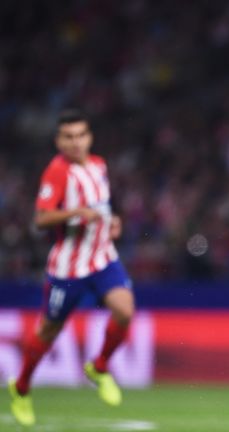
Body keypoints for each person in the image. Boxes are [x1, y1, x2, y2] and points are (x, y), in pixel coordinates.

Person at [7, 109, 134, 427]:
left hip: (103, 257)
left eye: (80, 135)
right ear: (58, 140)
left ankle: (100, 366)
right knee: (49, 330)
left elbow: (101, 207)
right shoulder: (57, 172)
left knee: (125, 311)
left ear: (89, 137)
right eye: (69, 137)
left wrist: (112, 220)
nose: (75, 142)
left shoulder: (99, 165)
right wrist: (76, 212)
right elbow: (41, 218)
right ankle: (21, 387)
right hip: (69, 267)